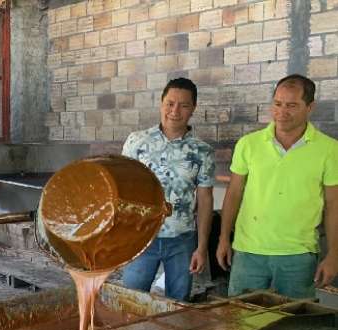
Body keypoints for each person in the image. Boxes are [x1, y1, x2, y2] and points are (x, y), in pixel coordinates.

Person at [216, 74, 338, 298]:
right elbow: (233, 193)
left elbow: (333, 205)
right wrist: (224, 238)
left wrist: (334, 255)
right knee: (239, 321)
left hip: (299, 255)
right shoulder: (248, 144)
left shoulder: (330, 150)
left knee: (294, 325)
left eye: (292, 105)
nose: (282, 112)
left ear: (310, 107)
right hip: (248, 251)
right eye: (278, 104)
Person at [121, 78, 215, 302]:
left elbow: (205, 199)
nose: (175, 111)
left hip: (182, 240)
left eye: (184, 105)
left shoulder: (202, 151)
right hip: (141, 238)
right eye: (170, 103)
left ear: (193, 108)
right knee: (129, 301)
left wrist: (201, 247)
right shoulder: (137, 142)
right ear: (161, 103)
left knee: (178, 305)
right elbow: (121, 189)